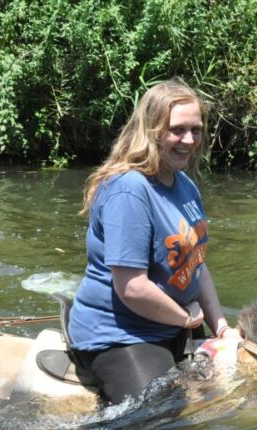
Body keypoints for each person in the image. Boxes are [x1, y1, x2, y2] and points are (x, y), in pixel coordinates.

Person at [68, 78, 240, 405]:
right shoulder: (128, 189)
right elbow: (132, 287)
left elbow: (196, 266)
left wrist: (221, 328)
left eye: (196, 129)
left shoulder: (185, 185)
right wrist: (187, 319)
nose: (188, 140)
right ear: (151, 130)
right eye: (177, 129)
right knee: (159, 419)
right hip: (121, 337)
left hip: (175, 326)